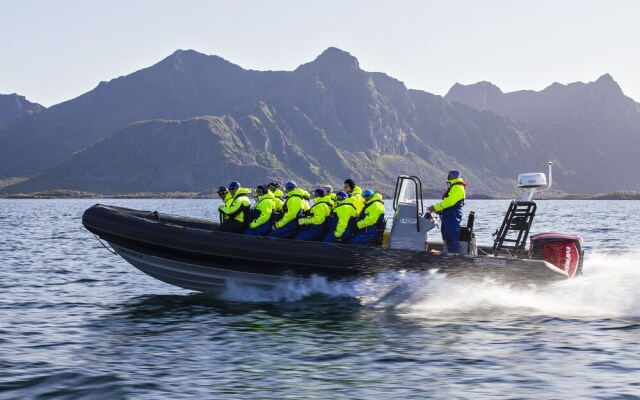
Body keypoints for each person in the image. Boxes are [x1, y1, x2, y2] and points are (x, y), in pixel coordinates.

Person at [428, 170, 466, 253]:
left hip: (453, 215)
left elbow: (449, 202)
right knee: (446, 234)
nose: (447, 177)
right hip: (449, 214)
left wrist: (435, 207)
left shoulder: (458, 188)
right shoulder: (454, 187)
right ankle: (447, 252)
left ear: (454, 177)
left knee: (451, 234)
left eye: (449, 175)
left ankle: (453, 255)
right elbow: (447, 203)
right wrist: (439, 210)